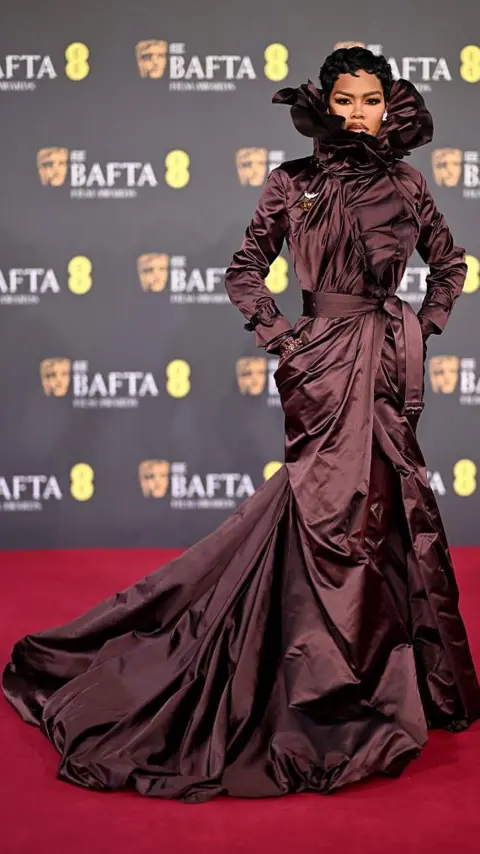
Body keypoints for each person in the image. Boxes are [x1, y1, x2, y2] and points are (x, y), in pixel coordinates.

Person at [3, 47, 480, 804]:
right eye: (347, 100)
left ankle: (390, 681)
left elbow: (450, 264)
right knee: (330, 512)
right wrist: (284, 339)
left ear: (388, 107)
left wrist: (425, 324)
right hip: (320, 368)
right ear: (325, 104)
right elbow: (244, 268)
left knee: (388, 511)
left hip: (387, 367)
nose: (359, 114)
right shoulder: (291, 183)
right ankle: (321, 685)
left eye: (372, 101)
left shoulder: (408, 183)